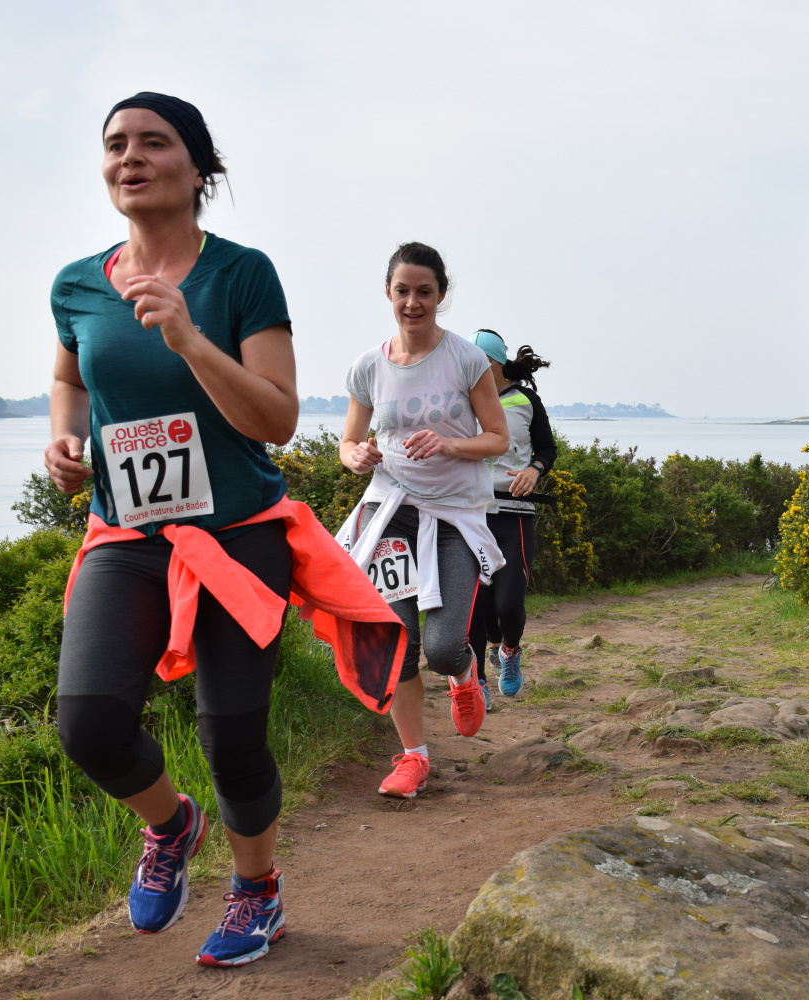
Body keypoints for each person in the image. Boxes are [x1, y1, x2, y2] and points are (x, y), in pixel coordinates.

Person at [48, 93, 406, 968]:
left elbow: (276, 419)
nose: (129, 157)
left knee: (232, 734)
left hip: (238, 534)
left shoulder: (242, 274)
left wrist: (189, 338)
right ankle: (172, 825)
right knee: (87, 724)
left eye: (153, 142)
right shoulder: (76, 283)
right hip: (126, 536)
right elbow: (71, 380)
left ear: (199, 166)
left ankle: (257, 892)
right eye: (115, 144)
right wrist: (63, 437)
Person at [338, 243, 509, 800]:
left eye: (424, 292)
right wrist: (357, 455)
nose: (413, 302)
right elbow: (348, 441)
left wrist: (449, 444)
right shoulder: (368, 366)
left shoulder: (466, 359)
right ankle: (414, 758)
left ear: (441, 295)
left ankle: (463, 673)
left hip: (454, 516)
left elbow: (497, 438)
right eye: (403, 291)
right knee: (396, 642)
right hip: (390, 512)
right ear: (388, 293)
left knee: (441, 647)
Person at [466, 330, 557, 699]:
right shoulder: (460, 400)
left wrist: (534, 470)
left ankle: (509, 649)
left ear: (497, 362)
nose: (471, 369)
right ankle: (477, 684)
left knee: (508, 604)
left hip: (514, 514)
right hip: (469, 516)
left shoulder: (526, 400)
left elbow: (547, 448)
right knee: (475, 607)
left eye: (480, 363)